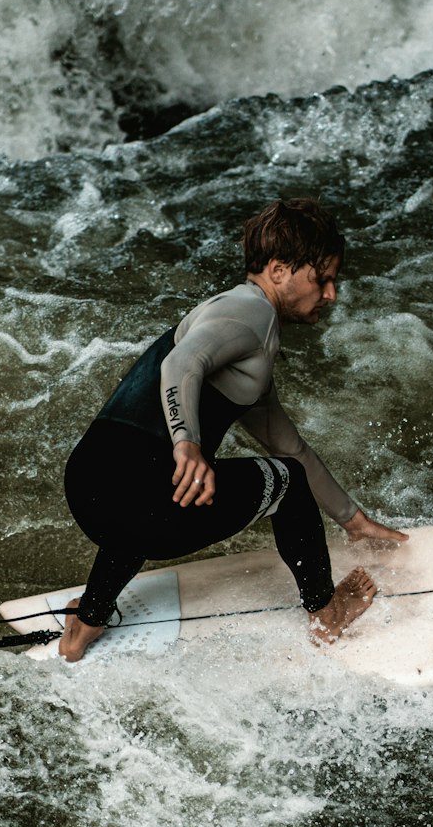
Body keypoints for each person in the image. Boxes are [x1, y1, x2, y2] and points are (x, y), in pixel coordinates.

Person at [59, 197, 407, 662]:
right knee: (280, 483)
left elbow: (292, 445)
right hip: (140, 508)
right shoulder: (252, 313)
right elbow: (181, 363)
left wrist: (353, 519)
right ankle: (328, 613)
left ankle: (86, 623)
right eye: (322, 278)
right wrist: (188, 445)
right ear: (280, 270)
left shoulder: (242, 333)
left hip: (90, 489)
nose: (331, 294)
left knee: (166, 482)